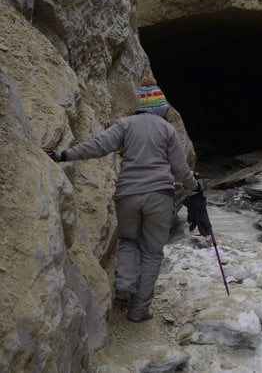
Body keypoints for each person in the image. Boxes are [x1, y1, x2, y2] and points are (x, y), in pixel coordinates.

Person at [43, 75, 203, 322]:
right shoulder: (168, 129)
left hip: (127, 194)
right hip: (160, 196)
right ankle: (139, 311)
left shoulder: (125, 124)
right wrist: (195, 186)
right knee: (151, 252)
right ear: (161, 108)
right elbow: (180, 170)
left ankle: (124, 286)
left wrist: (64, 155)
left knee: (129, 241)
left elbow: (98, 146)